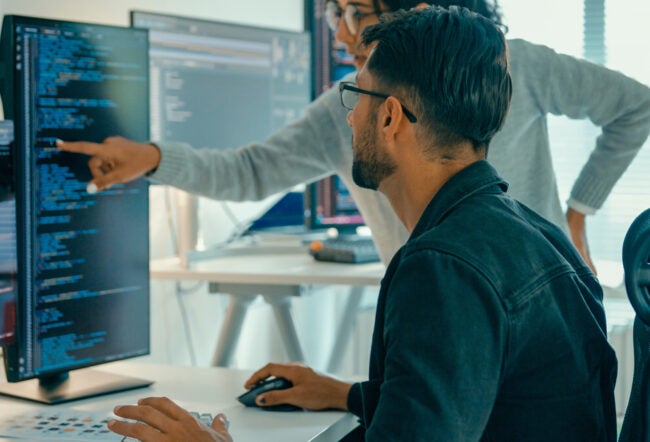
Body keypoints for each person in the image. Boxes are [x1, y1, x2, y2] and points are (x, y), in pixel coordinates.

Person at [108, 7, 617, 440]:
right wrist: (348, 395)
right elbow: (474, 398)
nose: (348, 118)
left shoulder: (443, 267)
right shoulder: (538, 235)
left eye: (357, 97)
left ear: (391, 117)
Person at [58, 0, 650, 272]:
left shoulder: (512, 65)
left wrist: (578, 214)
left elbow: (636, 107)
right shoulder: (351, 105)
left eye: (352, 11)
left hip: (517, 303)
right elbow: (252, 171)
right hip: (427, 311)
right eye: (334, 12)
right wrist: (155, 157)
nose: (340, 33)